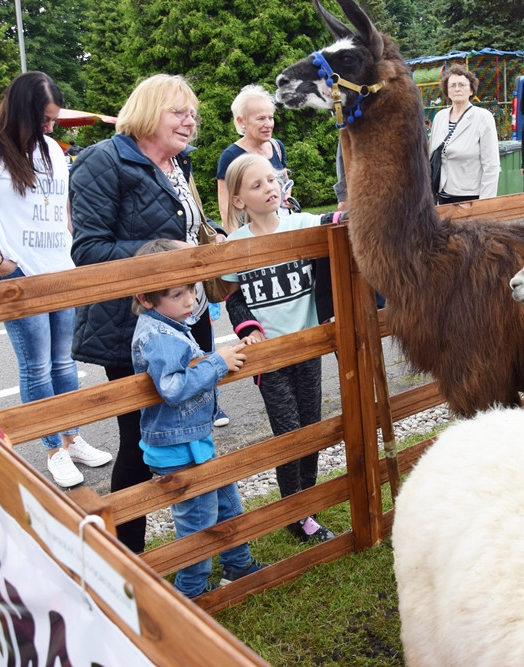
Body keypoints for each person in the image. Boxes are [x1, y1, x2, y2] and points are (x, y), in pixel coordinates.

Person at [69, 73, 223, 553]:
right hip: (130, 331)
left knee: (191, 429)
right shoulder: (103, 160)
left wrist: (211, 238)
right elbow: (89, 250)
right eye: (178, 110)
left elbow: (189, 224)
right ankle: (126, 557)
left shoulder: (182, 165)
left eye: (192, 113)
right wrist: (164, 253)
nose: (189, 120)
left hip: (188, 318)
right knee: (141, 443)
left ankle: (199, 543)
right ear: (147, 111)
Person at [0, 71, 112, 488]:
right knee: (36, 366)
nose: (50, 126)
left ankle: (72, 437)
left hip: (60, 268)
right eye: (45, 119)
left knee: (64, 362)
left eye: (54, 119)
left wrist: (74, 251)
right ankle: (53, 447)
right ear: (22, 109)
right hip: (18, 275)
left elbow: (62, 208)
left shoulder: (53, 150)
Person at [130, 239, 264, 597]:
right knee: (197, 522)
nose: (190, 300)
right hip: (176, 449)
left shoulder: (170, 323)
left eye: (191, 288)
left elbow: (192, 363)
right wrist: (219, 363)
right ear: (146, 298)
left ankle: (239, 565)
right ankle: (191, 592)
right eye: (178, 294)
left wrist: (228, 352)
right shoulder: (157, 335)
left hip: (193, 439)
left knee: (227, 504)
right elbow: (172, 387)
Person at [220, 153, 336, 543]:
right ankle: (295, 509)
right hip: (269, 358)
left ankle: (309, 502)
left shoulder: (301, 224)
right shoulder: (237, 245)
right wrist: (247, 329)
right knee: (289, 434)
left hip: (307, 349)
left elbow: (338, 228)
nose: (269, 188)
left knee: (312, 428)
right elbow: (233, 298)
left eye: (271, 180)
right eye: (257, 185)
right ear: (239, 201)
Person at [215, 85, 294, 230]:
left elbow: (284, 182)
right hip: (251, 235)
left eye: (270, 118)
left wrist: (286, 197)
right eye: (261, 119)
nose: (268, 124)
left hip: (283, 229)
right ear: (241, 121)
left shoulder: (277, 147)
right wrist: (237, 241)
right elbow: (226, 210)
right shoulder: (230, 156)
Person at [428, 64, 500, 204]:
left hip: (471, 197)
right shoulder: (439, 117)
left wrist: (485, 203)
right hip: (442, 194)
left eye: (462, 85)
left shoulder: (482, 117)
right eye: (452, 85)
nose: (457, 89)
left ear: (471, 90)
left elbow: (491, 164)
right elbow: (433, 155)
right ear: (447, 91)